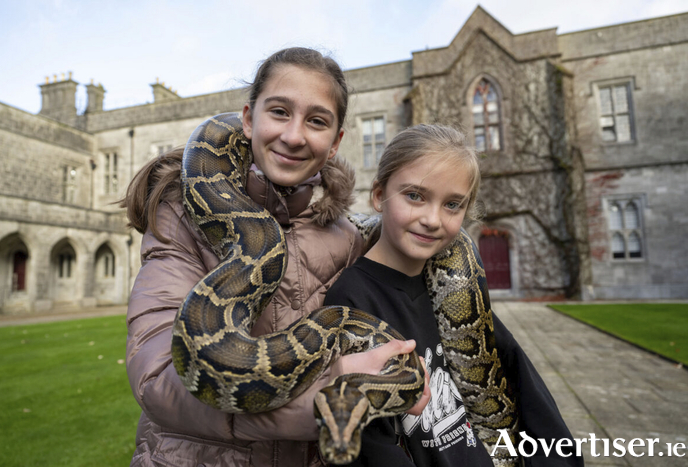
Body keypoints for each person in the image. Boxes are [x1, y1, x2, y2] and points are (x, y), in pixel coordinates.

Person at [122, 47, 425, 467]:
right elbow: (156, 379)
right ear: (248, 119)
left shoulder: (349, 238)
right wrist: (336, 388)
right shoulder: (180, 219)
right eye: (279, 112)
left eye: (316, 121)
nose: (295, 135)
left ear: (336, 141)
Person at [324, 124, 582, 466]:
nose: (432, 219)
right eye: (415, 195)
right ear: (378, 196)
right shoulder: (352, 299)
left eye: (452, 205)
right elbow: (371, 445)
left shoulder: (455, 286)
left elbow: (521, 379)